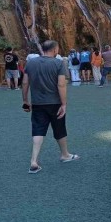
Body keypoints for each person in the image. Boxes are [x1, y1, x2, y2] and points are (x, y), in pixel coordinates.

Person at [22, 41, 80, 174]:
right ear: (55, 49)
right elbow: (61, 85)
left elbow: (25, 82)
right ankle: (65, 155)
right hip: (55, 103)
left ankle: (34, 160)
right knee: (59, 128)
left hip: (37, 103)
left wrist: (25, 100)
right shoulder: (59, 63)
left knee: (38, 130)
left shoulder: (31, 63)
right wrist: (64, 104)